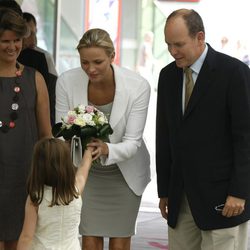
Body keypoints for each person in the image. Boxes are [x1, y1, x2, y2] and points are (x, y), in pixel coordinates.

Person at [156, 8, 250, 250]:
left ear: (200, 37)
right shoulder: (167, 76)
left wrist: (240, 192)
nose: (172, 52)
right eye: (168, 45)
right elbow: (164, 137)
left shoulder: (235, 73)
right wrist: (164, 191)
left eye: (178, 44)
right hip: (180, 199)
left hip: (225, 200)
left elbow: (245, 138)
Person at [56, 28, 151, 250]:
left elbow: (132, 143)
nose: (91, 69)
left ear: (112, 56)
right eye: (84, 62)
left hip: (124, 174)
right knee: (89, 240)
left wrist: (106, 148)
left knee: (119, 244)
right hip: (84, 172)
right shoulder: (66, 82)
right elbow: (61, 133)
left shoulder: (138, 86)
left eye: (98, 61)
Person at [0, 7, 51, 250]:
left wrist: (47, 176)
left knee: (19, 240)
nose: (12, 47)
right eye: (4, 41)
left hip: (24, 175)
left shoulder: (35, 78)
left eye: (17, 40)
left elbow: (46, 135)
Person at [17, 138, 93, 250]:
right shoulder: (75, 191)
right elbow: (83, 168)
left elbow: (27, 237)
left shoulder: (36, 198)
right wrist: (89, 148)